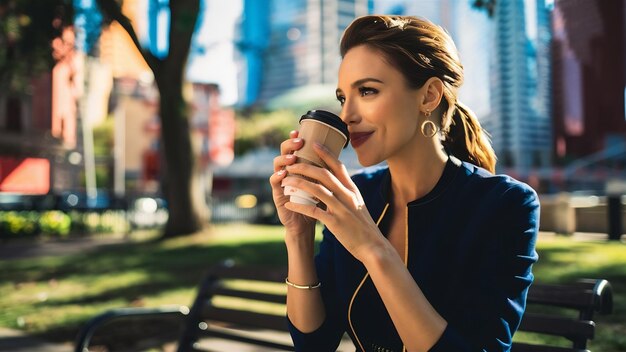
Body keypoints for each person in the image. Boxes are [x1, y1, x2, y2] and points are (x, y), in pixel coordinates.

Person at [269, 15, 539, 352]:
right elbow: (314, 343)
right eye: (343, 98)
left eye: (367, 91)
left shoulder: (504, 204)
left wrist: (373, 248)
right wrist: (298, 234)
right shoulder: (357, 194)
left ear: (428, 96)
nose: (347, 115)